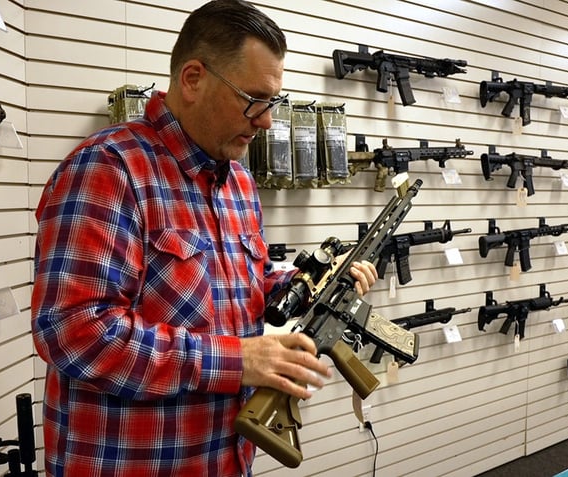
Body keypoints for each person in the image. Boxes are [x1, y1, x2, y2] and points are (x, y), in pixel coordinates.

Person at [31, 1, 378, 475]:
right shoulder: (109, 169)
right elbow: (74, 333)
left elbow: (244, 282)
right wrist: (237, 361)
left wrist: (308, 283)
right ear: (193, 79)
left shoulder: (237, 181)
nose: (267, 122)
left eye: (272, 102)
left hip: (225, 459)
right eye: (253, 99)